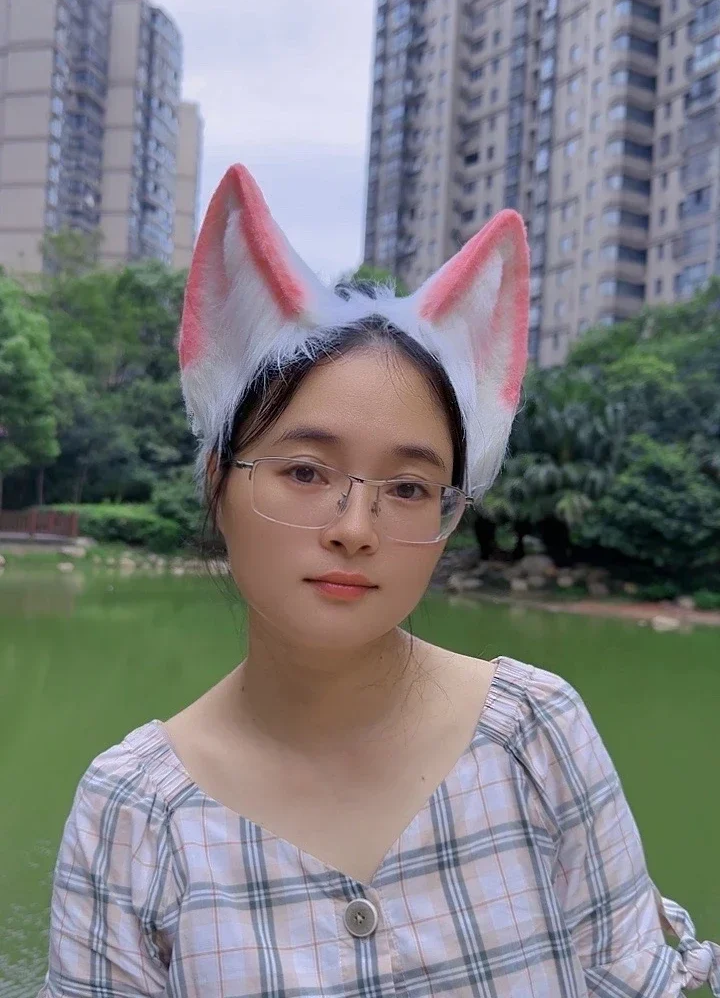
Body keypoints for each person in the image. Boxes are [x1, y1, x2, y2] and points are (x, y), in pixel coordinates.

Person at [39, 165, 719, 998]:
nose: (354, 528)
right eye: (304, 471)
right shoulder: (131, 814)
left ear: (450, 513)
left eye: (407, 488)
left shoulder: (536, 735)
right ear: (218, 484)